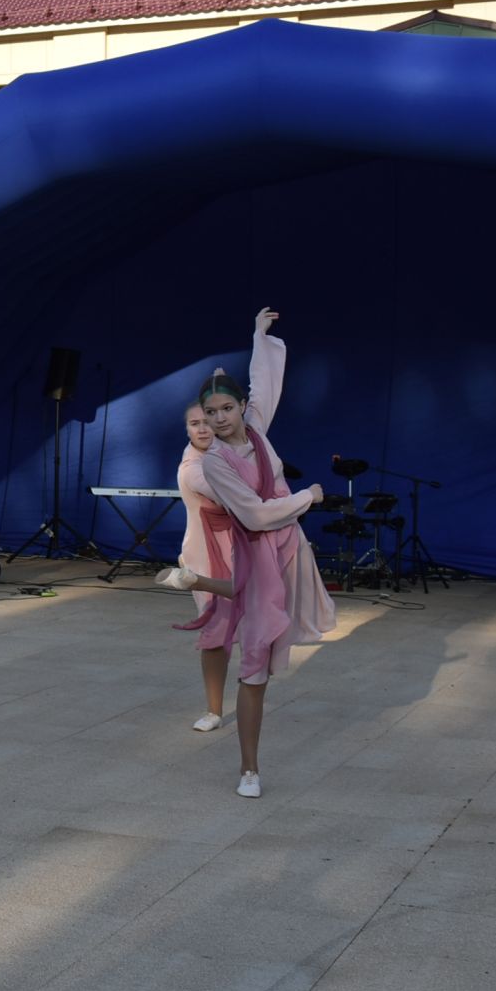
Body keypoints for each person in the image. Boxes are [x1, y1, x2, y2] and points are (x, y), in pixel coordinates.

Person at [157, 308, 336, 798]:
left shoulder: (256, 426)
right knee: (252, 652)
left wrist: (258, 337)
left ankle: (195, 583)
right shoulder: (212, 464)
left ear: (239, 408)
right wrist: (307, 497)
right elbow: (256, 516)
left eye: (223, 410)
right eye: (207, 414)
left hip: (289, 548)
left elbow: (265, 385)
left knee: (273, 630)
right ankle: (249, 769)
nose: (216, 420)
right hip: (254, 547)